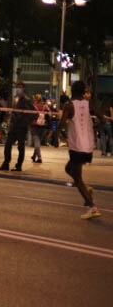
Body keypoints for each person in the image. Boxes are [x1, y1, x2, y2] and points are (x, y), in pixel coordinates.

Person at [60, 80, 100, 220]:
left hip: (76, 146)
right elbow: (102, 119)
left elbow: (60, 125)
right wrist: (92, 130)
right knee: (69, 169)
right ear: (83, 91)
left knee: (77, 178)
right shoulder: (89, 105)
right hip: (88, 146)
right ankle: (86, 188)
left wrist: (66, 136)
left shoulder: (69, 105)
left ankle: (92, 207)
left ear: (73, 91)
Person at [0, 81, 34, 172]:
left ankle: (18, 165)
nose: (18, 89)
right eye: (17, 87)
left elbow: (32, 113)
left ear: (23, 88)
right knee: (8, 144)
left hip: (21, 127)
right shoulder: (15, 99)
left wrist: (24, 120)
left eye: (20, 87)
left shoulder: (26, 100)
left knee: (20, 147)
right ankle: (6, 163)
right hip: (14, 126)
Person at [30, 93, 49, 163]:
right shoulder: (45, 107)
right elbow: (49, 117)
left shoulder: (33, 107)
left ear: (35, 100)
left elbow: (30, 117)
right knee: (38, 142)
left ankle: (39, 157)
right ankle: (34, 156)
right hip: (44, 127)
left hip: (35, 126)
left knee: (36, 142)